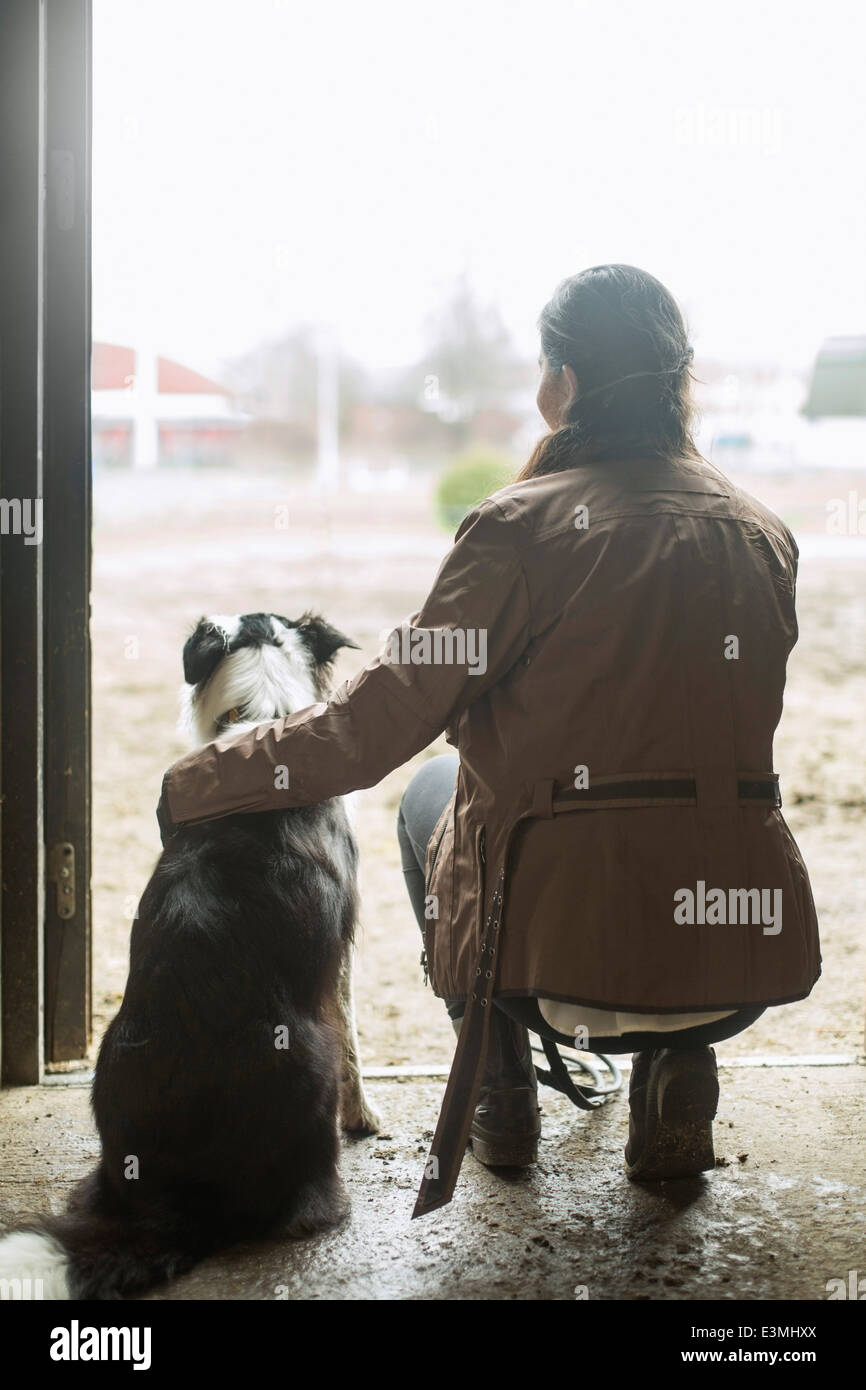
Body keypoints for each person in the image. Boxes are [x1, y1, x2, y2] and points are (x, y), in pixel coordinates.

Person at [158, 265, 820, 1212]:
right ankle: (682, 1069)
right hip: (737, 955)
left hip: (551, 959)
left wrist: (199, 780)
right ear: (679, 382)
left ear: (562, 382)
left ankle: (502, 1085)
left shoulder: (514, 530)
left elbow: (365, 730)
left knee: (435, 790)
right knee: (686, 793)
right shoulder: (766, 537)